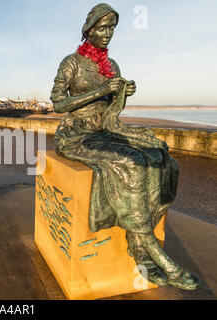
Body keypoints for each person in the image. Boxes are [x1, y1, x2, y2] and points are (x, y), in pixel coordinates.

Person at [50, 3, 199, 290]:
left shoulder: (112, 65)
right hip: (77, 134)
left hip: (105, 129)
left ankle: (139, 245)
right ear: (89, 30)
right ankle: (154, 252)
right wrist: (101, 90)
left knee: (159, 158)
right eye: (102, 28)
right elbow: (58, 103)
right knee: (130, 161)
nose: (107, 34)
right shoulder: (71, 62)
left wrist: (122, 94)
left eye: (112, 29)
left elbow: (111, 109)